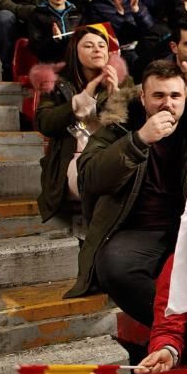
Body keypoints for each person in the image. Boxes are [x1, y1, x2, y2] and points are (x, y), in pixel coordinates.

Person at [69, 61, 187, 347]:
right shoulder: (119, 125)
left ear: (185, 97)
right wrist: (139, 140)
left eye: (175, 96)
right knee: (114, 267)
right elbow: (89, 177)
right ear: (143, 97)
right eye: (158, 96)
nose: (167, 104)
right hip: (139, 229)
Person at [35, 26, 126, 229]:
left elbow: (131, 129)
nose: (97, 49)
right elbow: (45, 122)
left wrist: (116, 96)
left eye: (102, 45)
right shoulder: (58, 85)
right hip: (74, 158)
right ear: (75, 51)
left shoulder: (123, 82)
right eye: (89, 45)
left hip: (108, 155)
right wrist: (81, 100)